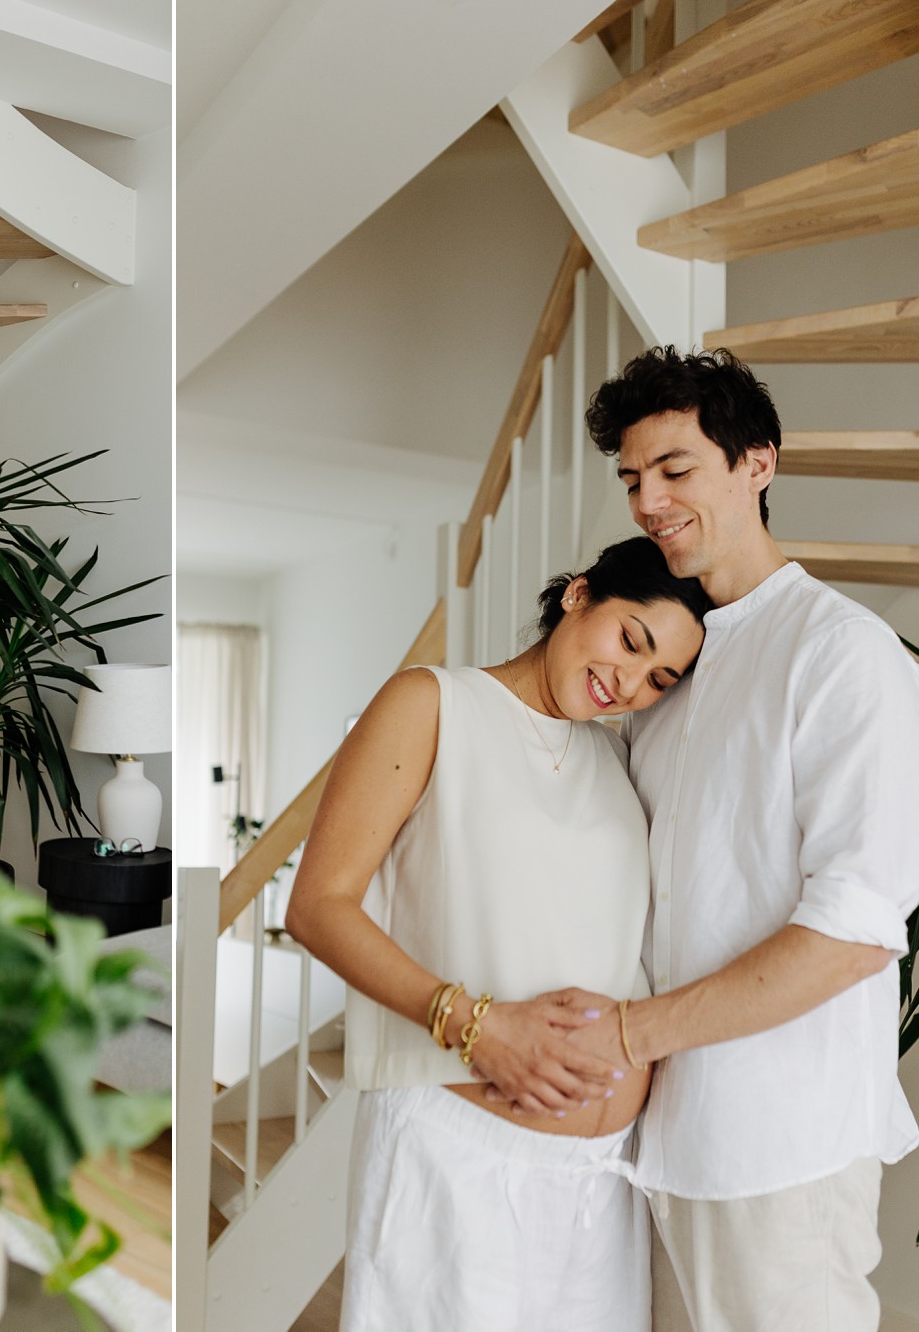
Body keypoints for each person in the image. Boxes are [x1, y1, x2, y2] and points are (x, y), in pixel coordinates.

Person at [500, 348, 919, 1331]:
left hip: (782, 1140)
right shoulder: (672, 670)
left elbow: (858, 927)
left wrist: (625, 1034)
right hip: (664, 1127)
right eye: (632, 477)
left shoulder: (843, 653)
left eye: (676, 470)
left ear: (758, 466)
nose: (648, 499)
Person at [284, 535, 713, 1332]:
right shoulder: (431, 702)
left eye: (659, 678)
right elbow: (317, 905)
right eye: (630, 639)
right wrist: (476, 1024)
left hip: (598, 1181)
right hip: (456, 1153)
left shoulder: (619, 757)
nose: (628, 682)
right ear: (579, 594)